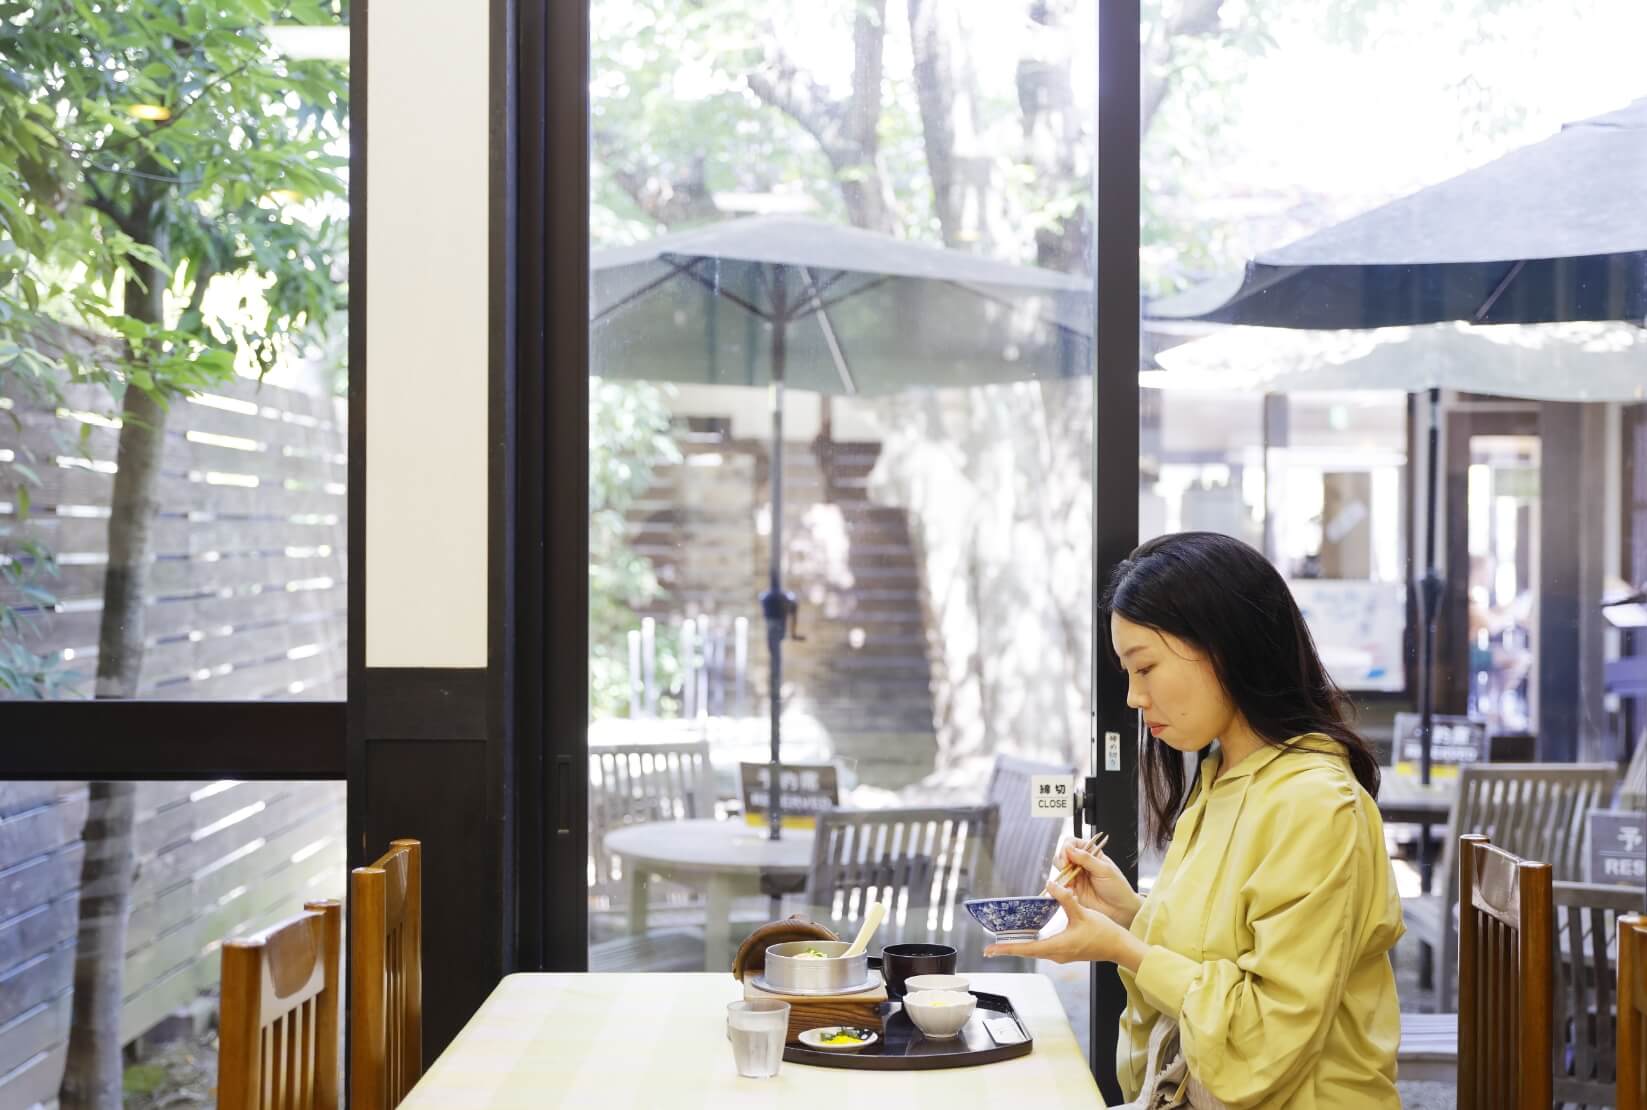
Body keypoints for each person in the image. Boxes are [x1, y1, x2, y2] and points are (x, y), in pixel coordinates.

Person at [985, 532, 1403, 1109]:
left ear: (1225, 646)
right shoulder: (1220, 779)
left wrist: (1126, 949)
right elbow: (1211, 962)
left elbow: (1264, 1042)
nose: (1133, 697)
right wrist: (1127, 915)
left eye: (1145, 667)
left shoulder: (1318, 805)